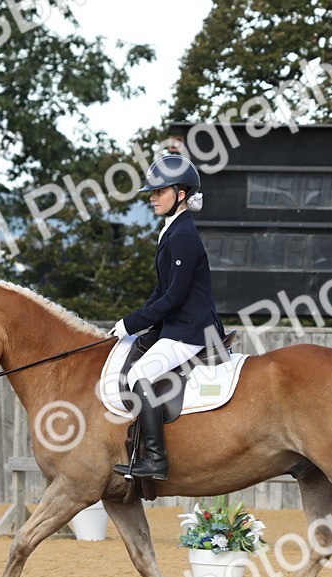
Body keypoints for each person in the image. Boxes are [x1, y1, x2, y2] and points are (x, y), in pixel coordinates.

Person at [108, 153, 223, 481]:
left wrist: (134, 322)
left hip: (192, 329)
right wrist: (135, 320)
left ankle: (156, 460)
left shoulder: (184, 234)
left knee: (138, 374)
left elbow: (175, 297)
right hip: (176, 325)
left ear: (181, 194)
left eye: (160, 191)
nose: (153, 197)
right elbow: (163, 291)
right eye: (152, 192)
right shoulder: (173, 231)